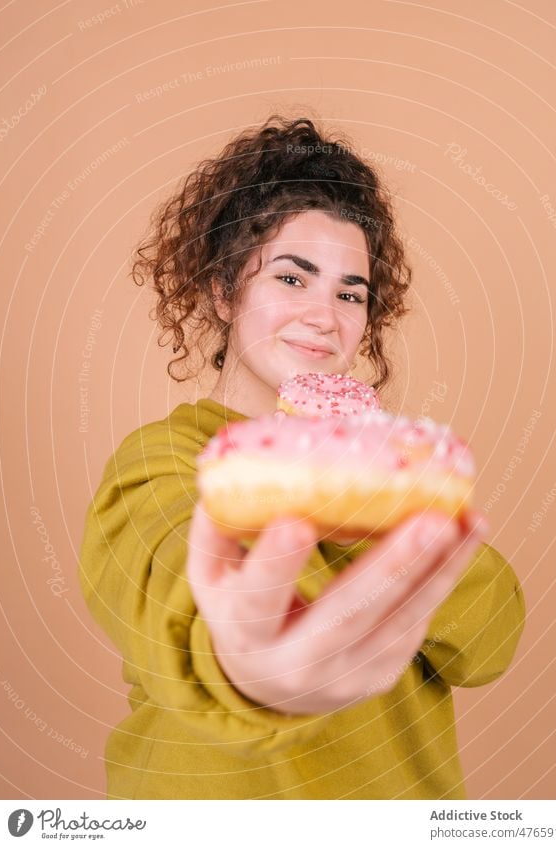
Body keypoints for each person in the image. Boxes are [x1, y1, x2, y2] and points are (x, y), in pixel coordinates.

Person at [79, 114, 525, 800]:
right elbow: (178, 593)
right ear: (225, 292)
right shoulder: (164, 462)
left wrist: (360, 474)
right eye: (293, 279)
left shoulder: (395, 465)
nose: (327, 316)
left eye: (352, 293)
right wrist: (247, 666)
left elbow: (489, 637)